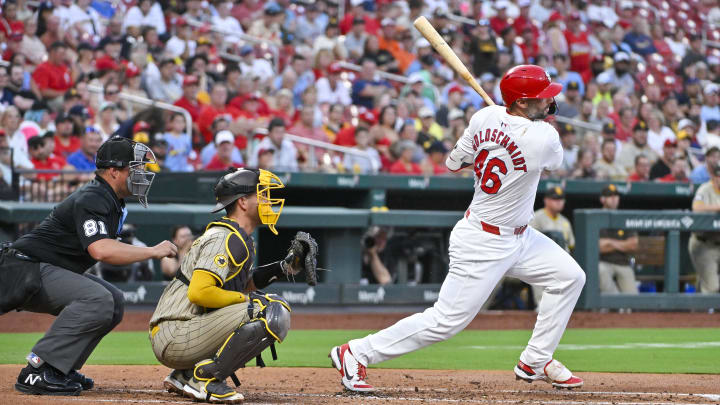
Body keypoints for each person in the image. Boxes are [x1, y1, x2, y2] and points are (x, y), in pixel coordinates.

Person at [329, 65, 585, 392]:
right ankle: (356, 352)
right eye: (542, 99)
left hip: (521, 236)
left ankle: (535, 359)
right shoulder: (543, 137)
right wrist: (507, 130)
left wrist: (496, 130)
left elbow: (453, 163)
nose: (550, 103)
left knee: (569, 277)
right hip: (483, 241)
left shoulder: (483, 117)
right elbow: (551, 159)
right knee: (445, 322)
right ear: (521, 103)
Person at [8, 137, 177, 396]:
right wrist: (152, 251)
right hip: (23, 269)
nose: (141, 173)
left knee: (114, 301)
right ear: (113, 171)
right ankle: (38, 370)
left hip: (42, 269)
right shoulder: (94, 196)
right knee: (97, 299)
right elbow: (101, 249)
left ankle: (60, 367)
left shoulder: (110, 199)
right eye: (135, 168)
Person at [149, 168, 318, 403]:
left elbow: (242, 284)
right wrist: (247, 301)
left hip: (181, 329)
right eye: (263, 195)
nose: (268, 201)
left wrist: (286, 267)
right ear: (243, 202)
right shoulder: (223, 238)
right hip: (175, 332)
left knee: (260, 304)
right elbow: (200, 292)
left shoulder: (236, 237)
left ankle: (186, 374)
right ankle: (205, 379)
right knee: (270, 310)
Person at [528, 187, 575, 307]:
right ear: (546, 200)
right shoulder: (536, 217)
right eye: (555, 199)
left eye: (561, 199)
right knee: (537, 268)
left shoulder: (565, 221)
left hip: (561, 261)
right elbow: (528, 243)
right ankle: (541, 304)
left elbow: (571, 245)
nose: (559, 202)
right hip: (539, 260)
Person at [598, 184, 639, 294]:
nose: (614, 199)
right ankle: (616, 308)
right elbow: (599, 247)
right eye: (610, 196)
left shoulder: (623, 217)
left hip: (623, 263)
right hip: (603, 262)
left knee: (632, 299)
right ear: (602, 199)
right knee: (600, 270)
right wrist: (623, 245)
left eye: (616, 196)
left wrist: (610, 243)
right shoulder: (596, 217)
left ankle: (624, 308)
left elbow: (633, 245)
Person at [688, 164, 720, 293]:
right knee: (712, 289)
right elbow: (697, 208)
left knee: (708, 283)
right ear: (713, 177)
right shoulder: (705, 189)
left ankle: (697, 307)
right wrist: (718, 208)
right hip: (704, 244)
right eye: (718, 176)